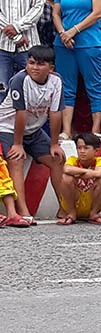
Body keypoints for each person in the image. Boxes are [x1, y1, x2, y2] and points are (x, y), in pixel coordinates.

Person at [0, 45, 65, 223]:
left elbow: (56, 113)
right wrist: (18, 143)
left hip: (34, 129)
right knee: (16, 159)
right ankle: (23, 212)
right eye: (31, 63)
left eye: (40, 64)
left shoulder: (56, 81)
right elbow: (20, 114)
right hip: (8, 127)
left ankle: (65, 208)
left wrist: (54, 143)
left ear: (50, 69)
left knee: (58, 159)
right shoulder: (20, 80)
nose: (34, 67)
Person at [52, 0, 101, 137]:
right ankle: (66, 130)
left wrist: (72, 31)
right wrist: (62, 33)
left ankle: (96, 129)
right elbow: (56, 13)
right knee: (66, 86)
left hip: (89, 43)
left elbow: (97, 13)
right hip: (63, 44)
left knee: (94, 85)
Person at [0, 0, 44, 99]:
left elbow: (38, 8)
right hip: (2, 46)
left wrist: (17, 28)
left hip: (29, 45)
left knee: (33, 88)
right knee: (1, 89)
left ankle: (32, 125)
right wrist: (16, 35)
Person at [59, 132, 101, 224]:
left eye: (86, 148)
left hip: (90, 203)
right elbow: (66, 169)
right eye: (79, 148)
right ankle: (71, 213)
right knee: (66, 178)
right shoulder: (73, 159)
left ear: (96, 151)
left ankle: (94, 214)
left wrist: (77, 172)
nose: (82, 151)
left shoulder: (98, 161)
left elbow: (98, 173)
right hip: (75, 202)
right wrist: (86, 172)